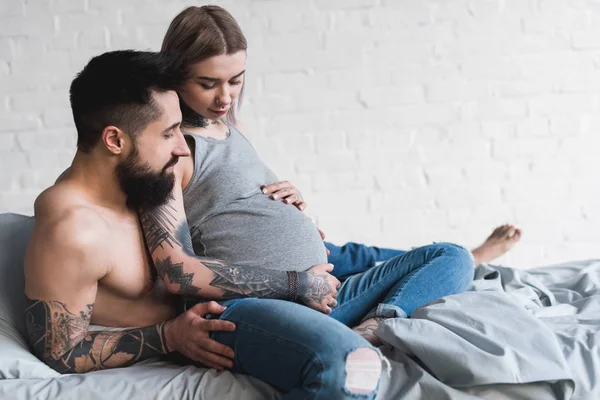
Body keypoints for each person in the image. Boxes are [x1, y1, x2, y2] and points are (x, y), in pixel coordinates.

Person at [137, 4, 512, 363]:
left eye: (236, 80)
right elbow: (177, 271)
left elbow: (237, 202)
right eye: (208, 84)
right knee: (355, 256)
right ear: (175, 76)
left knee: (452, 256)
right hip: (275, 305)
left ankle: (378, 325)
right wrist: (298, 283)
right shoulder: (172, 153)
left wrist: (288, 202)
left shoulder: (231, 128)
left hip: (327, 291)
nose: (225, 96)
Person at [24, 50, 384, 400]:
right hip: (211, 330)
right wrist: (168, 337)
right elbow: (60, 352)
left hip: (243, 311)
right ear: (115, 140)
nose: (183, 148)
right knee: (348, 370)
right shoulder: (74, 228)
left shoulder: (142, 186)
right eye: (168, 134)